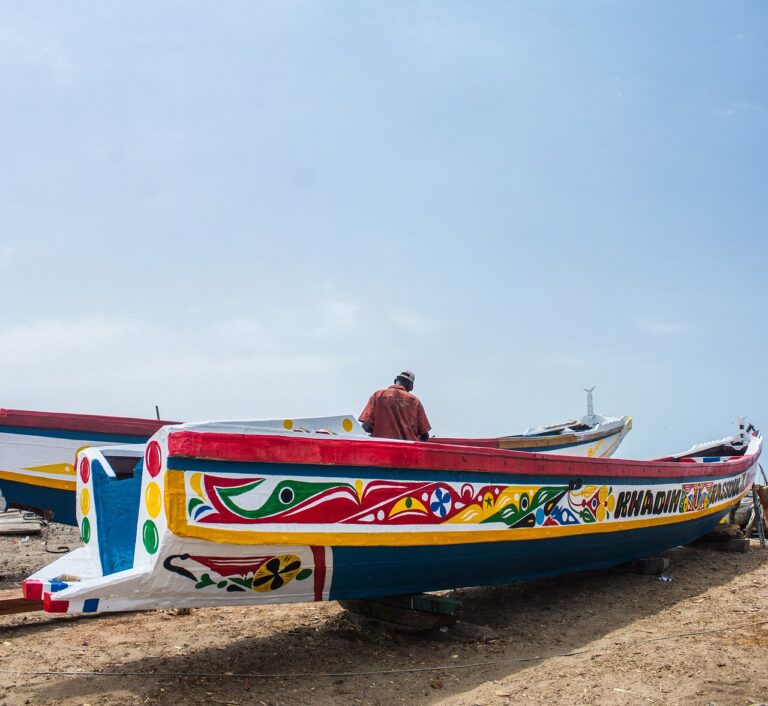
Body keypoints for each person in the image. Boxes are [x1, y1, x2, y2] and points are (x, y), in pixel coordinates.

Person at [359, 370, 431, 442]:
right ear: (411, 386)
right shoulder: (415, 401)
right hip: (407, 451)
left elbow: (366, 427)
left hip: (381, 448)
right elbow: (425, 436)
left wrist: (379, 429)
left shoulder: (377, 395)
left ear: (395, 381)